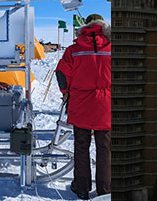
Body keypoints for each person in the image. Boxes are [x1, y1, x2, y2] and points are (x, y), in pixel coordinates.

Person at [56, 14, 111, 200]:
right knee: (105, 147)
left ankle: (81, 188)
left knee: (81, 146)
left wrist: (66, 92)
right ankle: (105, 189)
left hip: (80, 104)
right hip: (106, 105)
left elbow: (62, 74)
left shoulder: (74, 50)